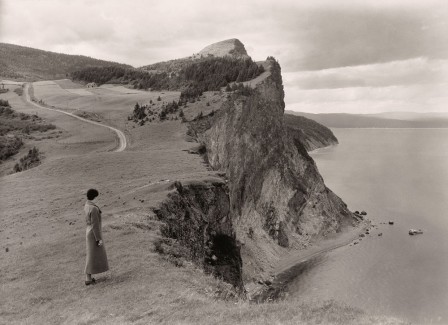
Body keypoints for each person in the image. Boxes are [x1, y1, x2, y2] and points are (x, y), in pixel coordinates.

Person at [84, 188, 109, 285]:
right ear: (94, 197)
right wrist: (98, 239)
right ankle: (88, 278)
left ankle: (88, 278)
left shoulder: (87, 205)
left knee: (91, 255)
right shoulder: (93, 208)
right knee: (91, 256)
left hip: (89, 231)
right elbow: (95, 225)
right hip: (93, 233)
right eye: (97, 197)